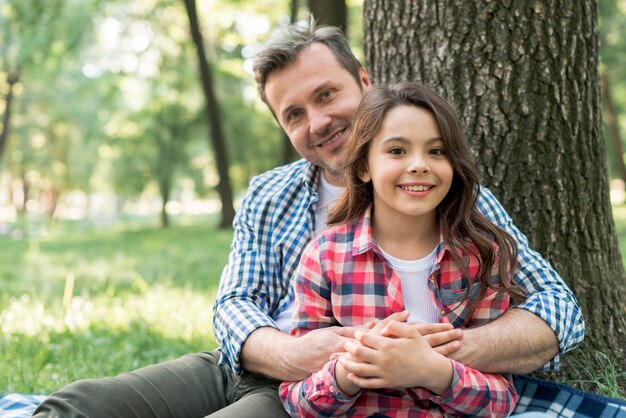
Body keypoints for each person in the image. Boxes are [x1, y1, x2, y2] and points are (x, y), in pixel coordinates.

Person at [33, 23, 583, 418]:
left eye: (327, 94)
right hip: (248, 365)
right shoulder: (269, 193)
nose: (318, 122)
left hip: (331, 395)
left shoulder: (446, 197)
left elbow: (559, 312)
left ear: (364, 81)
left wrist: (429, 356)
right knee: (74, 407)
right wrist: (292, 353)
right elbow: (233, 303)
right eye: (294, 114)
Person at [280, 81, 526, 417]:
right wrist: (353, 368)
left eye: (436, 151)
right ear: (364, 166)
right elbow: (298, 400)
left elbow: (501, 400)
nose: (419, 164)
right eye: (397, 151)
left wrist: (433, 371)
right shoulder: (325, 257)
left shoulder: (483, 254)